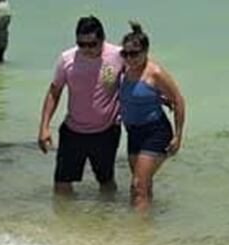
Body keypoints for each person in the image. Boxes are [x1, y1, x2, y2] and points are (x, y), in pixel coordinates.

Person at [37, 16, 124, 195]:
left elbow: (141, 74)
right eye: (81, 44)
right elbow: (55, 91)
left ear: (102, 39)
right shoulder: (66, 59)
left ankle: (107, 220)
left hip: (106, 132)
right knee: (61, 184)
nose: (86, 50)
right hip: (73, 131)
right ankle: (64, 222)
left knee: (106, 182)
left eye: (92, 44)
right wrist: (44, 127)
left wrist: (161, 96)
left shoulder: (118, 55)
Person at [118, 21, 186, 210]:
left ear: (146, 52)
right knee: (143, 185)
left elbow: (179, 100)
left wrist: (178, 136)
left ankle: (138, 233)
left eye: (135, 54)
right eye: (125, 54)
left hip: (155, 132)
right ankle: (148, 228)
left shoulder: (155, 73)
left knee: (137, 185)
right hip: (133, 132)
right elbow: (108, 84)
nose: (130, 58)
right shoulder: (123, 69)